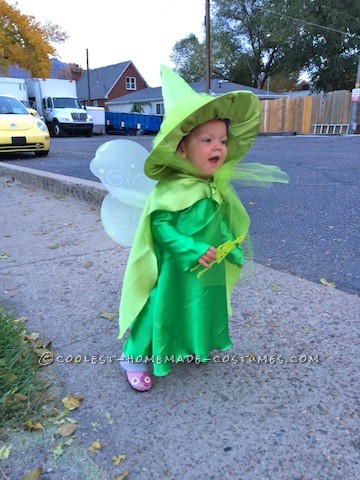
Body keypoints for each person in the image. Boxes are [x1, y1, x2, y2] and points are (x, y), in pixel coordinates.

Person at [93, 65, 288, 391]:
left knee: (199, 305)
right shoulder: (171, 189)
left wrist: (231, 246)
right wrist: (191, 248)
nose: (218, 147)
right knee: (161, 305)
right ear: (182, 148)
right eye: (207, 140)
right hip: (178, 268)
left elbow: (219, 223)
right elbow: (161, 227)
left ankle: (190, 346)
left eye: (223, 141)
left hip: (207, 267)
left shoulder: (213, 187)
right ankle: (135, 356)